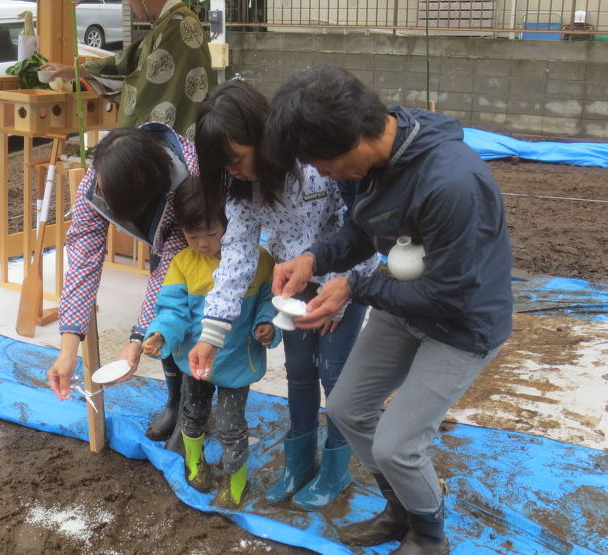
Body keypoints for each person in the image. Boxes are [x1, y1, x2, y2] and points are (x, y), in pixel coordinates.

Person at [266, 65, 513, 554]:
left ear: (355, 138)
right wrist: (314, 258)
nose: (320, 173)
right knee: (346, 408)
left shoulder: (451, 182)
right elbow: (363, 229)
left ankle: (429, 537)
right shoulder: (367, 166)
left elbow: (450, 294)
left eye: (319, 161)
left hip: (462, 322)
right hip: (404, 302)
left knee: (397, 445)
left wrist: (354, 287)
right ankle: (401, 508)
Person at [188, 80, 380, 510]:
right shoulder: (241, 191)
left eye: (236, 158)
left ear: (260, 135)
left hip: (344, 280)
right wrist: (210, 335)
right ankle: (300, 465)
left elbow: (362, 224)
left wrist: (345, 289)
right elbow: (235, 258)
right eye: (223, 165)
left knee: (334, 374)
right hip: (293, 285)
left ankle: (335, 470)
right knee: (298, 372)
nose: (233, 170)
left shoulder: (313, 163)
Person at [47, 122, 197, 443]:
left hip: (204, 238)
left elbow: (168, 275)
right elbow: (83, 262)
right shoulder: (101, 177)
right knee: (161, 327)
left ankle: (193, 408)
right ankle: (174, 401)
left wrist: (135, 341)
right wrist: (67, 349)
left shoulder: (186, 178)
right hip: (164, 232)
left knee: (185, 314)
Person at [142, 176, 280, 508]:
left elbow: (268, 298)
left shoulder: (258, 261)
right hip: (195, 360)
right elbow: (172, 309)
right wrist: (160, 333)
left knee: (232, 425)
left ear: (232, 223)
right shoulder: (182, 264)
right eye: (193, 236)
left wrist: (266, 322)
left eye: (212, 234)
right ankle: (194, 462)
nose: (203, 244)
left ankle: (236, 482)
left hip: (235, 361)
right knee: (193, 413)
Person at [44, 0, 215, 139]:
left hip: (184, 134)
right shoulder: (170, 22)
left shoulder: (178, 25)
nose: (129, 5)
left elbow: (144, 89)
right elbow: (129, 61)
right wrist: (75, 71)